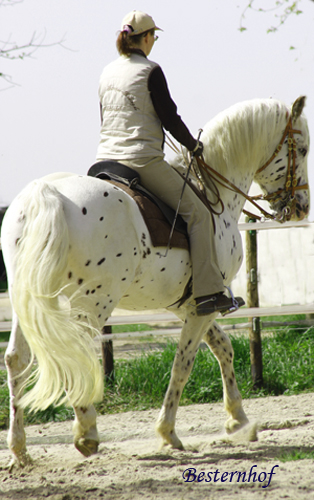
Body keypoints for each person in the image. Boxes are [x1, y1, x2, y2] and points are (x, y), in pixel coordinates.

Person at [96, 10, 244, 316]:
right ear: (146, 37)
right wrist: (193, 146)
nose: (154, 42)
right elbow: (170, 118)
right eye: (154, 37)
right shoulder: (150, 71)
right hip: (142, 162)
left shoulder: (106, 72)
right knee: (200, 215)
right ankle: (208, 293)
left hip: (104, 162)